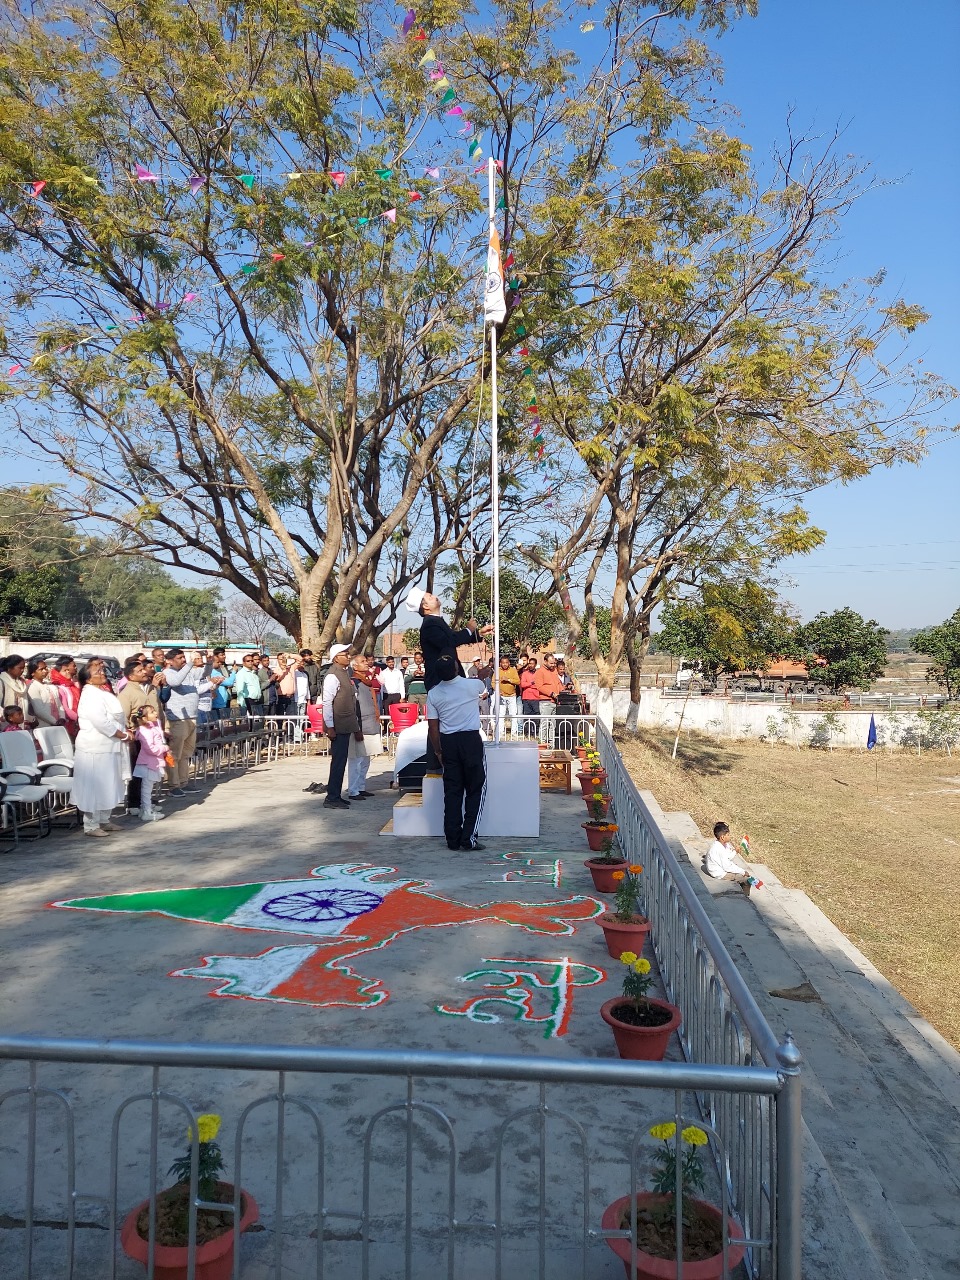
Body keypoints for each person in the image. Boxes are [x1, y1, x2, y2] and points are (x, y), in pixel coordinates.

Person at [410, 588, 494, 770]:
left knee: (446, 720)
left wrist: (476, 633)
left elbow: (451, 638)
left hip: (447, 678)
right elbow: (448, 641)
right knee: (438, 722)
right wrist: (470, 630)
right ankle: (436, 762)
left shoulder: (435, 622)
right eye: (428, 596)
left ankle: (445, 760)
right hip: (441, 679)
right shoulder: (430, 624)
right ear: (425, 606)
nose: (433, 595)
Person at [426, 653, 487, 852]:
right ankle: (468, 837)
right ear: (456, 668)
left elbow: (433, 728)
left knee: (452, 792)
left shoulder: (433, 694)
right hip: (470, 740)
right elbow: (482, 687)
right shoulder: (472, 686)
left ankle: (452, 839)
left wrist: (438, 751)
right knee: (475, 788)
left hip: (448, 742)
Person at [72, 658, 132, 837]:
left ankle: (104, 820)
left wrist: (124, 731)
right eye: (97, 672)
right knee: (94, 786)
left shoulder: (102, 692)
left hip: (110, 746)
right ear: (88, 679)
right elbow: (101, 722)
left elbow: (116, 717)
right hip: (95, 747)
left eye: (102, 670)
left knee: (109, 784)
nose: (102, 673)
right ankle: (90, 825)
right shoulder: (89, 694)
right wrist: (123, 735)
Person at [161, 648, 211, 797]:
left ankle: (183, 782)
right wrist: (190, 662)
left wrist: (208, 662)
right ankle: (173, 785)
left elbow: (204, 674)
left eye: (184, 657)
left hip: (191, 717)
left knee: (186, 753)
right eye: (179, 658)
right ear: (169, 661)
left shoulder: (188, 671)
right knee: (174, 754)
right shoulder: (168, 673)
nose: (183, 660)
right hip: (178, 719)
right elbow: (175, 682)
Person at [118, 655, 164, 813]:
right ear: (131, 676)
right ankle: (133, 803)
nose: (144, 672)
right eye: (140, 670)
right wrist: (129, 731)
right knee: (137, 771)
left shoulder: (150, 688)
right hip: (138, 737)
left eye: (144, 669)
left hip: (154, 733)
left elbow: (158, 709)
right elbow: (122, 715)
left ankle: (146, 801)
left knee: (150, 771)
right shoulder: (127, 693)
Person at [320, 644, 362, 809]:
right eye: (345, 654)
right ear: (336, 657)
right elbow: (327, 702)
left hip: (345, 724)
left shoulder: (344, 673)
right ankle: (332, 797)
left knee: (341, 761)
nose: (348, 656)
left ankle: (335, 794)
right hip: (338, 725)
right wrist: (330, 726)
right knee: (338, 762)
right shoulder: (332, 676)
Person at [347, 654, 383, 800]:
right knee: (356, 759)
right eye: (362, 662)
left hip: (370, 723)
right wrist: (356, 729)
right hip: (359, 725)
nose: (366, 663)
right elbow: (353, 707)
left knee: (366, 758)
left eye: (366, 661)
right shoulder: (354, 683)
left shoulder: (368, 682)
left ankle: (361, 787)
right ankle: (353, 790)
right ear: (355, 666)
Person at [132, 704, 168, 822]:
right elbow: (150, 748)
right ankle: (147, 811)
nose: (155, 714)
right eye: (152, 712)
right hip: (149, 763)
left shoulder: (152, 727)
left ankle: (145, 808)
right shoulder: (145, 731)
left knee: (148, 787)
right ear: (144, 718)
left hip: (153, 762)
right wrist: (164, 748)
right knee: (146, 788)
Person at [704, 822, 762, 895]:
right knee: (747, 879)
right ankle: (745, 896)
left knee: (740, 872)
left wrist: (735, 852)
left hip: (722, 868)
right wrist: (743, 872)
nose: (730, 836)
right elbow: (727, 867)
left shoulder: (724, 844)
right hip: (720, 873)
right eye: (728, 835)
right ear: (722, 837)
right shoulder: (719, 849)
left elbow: (728, 856)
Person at [26, 659, 64, 727]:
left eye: (46, 668)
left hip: (57, 724)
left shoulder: (50, 685)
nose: (45, 671)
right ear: (33, 673)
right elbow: (39, 710)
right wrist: (55, 722)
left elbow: (59, 705)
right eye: (41, 669)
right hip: (43, 725)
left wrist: (62, 718)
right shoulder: (32, 686)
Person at [534, 652, 563, 747]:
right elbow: (539, 686)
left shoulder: (554, 671)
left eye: (554, 663)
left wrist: (563, 690)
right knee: (545, 724)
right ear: (545, 661)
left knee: (552, 725)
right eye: (551, 663)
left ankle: (551, 746)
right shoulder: (539, 672)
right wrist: (551, 693)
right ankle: (542, 745)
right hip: (545, 702)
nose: (553, 665)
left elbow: (558, 683)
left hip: (554, 701)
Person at [49, 656, 80, 737]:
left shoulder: (72, 684)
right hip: (68, 724)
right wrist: (79, 719)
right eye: (73, 666)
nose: (75, 668)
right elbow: (65, 708)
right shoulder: (58, 687)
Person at [0, 655, 35, 725]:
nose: (22, 670)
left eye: (23, 668)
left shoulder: (21, 683)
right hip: (7, 722)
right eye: (20, 668)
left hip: (21, 722)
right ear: (9, 668)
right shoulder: (1, 681)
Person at [497, 654, 522, 736]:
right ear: (500, 663)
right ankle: (501, 732)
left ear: (509, 663)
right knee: (501, 714)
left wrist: (508, 680)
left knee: (513, 714)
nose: (504, 664)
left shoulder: (513, 670)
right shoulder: (497, 671)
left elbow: (518, 681)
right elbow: (493, 682)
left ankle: (514, 732)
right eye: (503, 663)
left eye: (506, 662)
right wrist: (497, 690)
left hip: (512, 696)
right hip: (501, 696)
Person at [208, 649, 236, 719]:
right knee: (219, 724)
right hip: (218, 703)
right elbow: (229, 682)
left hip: (223, 701)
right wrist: (234, 671)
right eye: (217, 662)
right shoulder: (214, 672)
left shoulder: (221, 669)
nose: (219, 664)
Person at [519, 656, 540, 737]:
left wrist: (531, 685)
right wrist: (531, 683)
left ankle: (536, 732)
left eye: (532, 664)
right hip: (526, 697)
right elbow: (523, 684)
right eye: (530, 664)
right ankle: (527, 733)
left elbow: (538, 685)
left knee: (536, 715)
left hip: (536, 697)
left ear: (535, 664)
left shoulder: (538, 673)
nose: (531, 665)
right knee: (527, 715)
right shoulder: (525, 673)